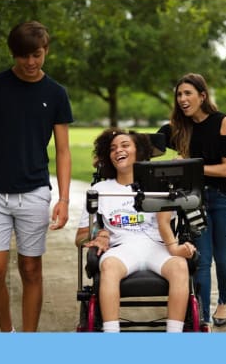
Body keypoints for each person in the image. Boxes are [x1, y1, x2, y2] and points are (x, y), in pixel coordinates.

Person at [0, 21, 73, 332]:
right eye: (24, 56)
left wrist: (63, 198)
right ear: (13, 54)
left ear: (45, 50)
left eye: (36, 55)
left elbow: (63, 150)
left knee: (31, 269)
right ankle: (7, 334)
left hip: (34, 192)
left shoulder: (57, 94)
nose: (31, 63)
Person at [74, 129, 197, 332]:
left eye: (124, 145)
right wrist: (100, 234)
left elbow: (167, 223)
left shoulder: (159, 185)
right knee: (109, 267)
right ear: (107, 156)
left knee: (180, 267)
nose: (118, 151)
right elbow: (80, 238)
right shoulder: (101, 190)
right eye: (112, 148)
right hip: (122, 250)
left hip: (158, 247)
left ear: (138, 151)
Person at [157, 73, 226, 327]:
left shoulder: (222, 122)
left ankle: (223, 303)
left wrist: (190, 166)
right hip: (195, 201)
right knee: (202, 259)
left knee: (222, 256)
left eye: (188, 94)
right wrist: (114, 149)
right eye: (179, 95)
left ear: (202, 96)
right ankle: (202, 319)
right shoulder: (177, 127)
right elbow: (148, 144)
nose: (182, 99)